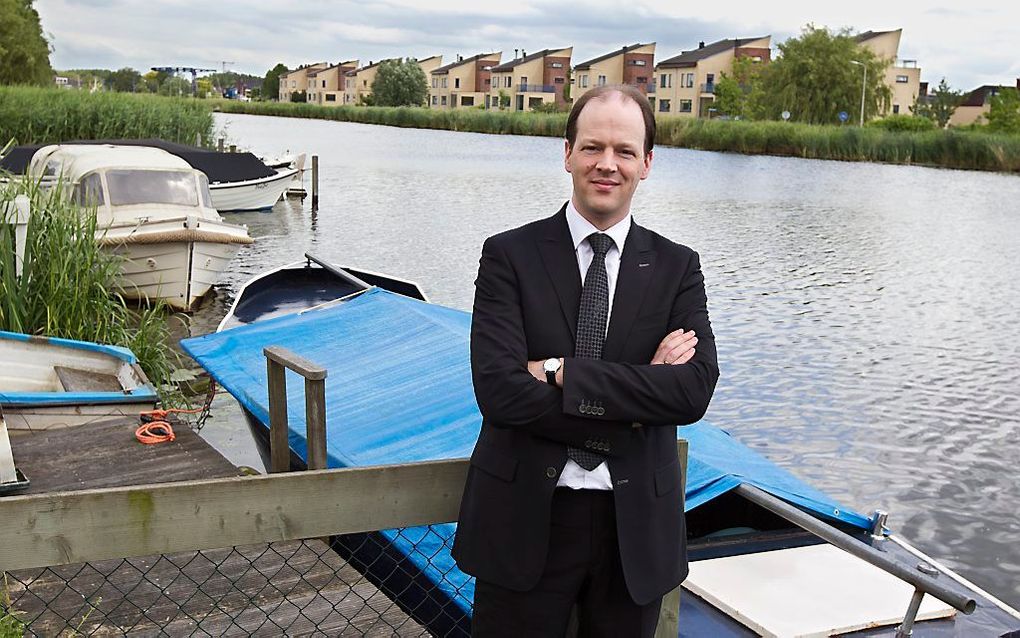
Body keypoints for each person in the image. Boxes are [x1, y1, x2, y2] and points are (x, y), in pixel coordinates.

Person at [452, 84, 719, 637]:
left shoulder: (677, 268)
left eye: (624, 152)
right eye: (593, 147)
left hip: (635, 535)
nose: (607, 164)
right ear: (567, 152)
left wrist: (560, 372)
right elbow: (500, 391)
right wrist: (637, 402)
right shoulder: (509, 256)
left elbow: (692, 391)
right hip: (525, 521)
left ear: (646, 164)